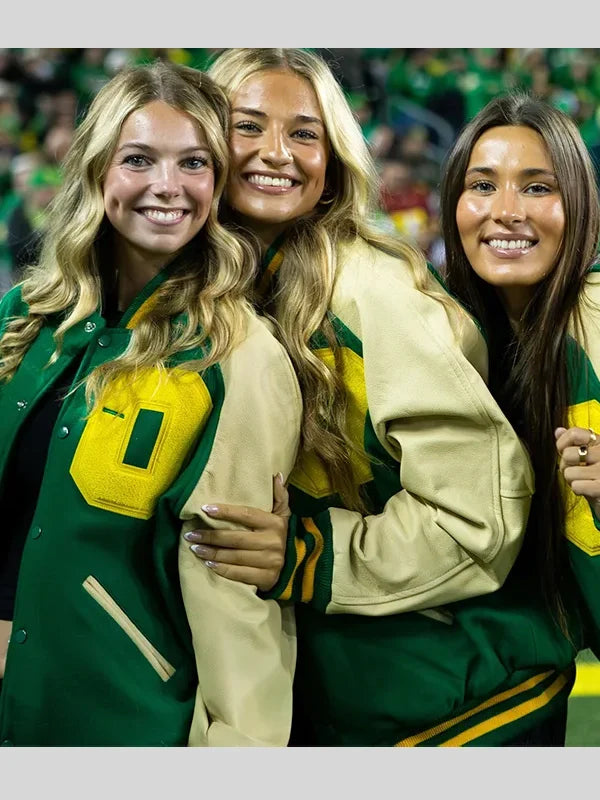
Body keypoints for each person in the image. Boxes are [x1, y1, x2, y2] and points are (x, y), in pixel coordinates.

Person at [180, 49, 557, 747]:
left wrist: (308, 555)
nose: (276, 153)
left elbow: (477, 517)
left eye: (304, 133)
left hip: (459, 699)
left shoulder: (370, 290)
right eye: (249, 126)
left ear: (334, 159)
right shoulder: (214, 293)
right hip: (343, 691)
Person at [0, 59, 301, 746]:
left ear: (219, 183)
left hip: (121, 728)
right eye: (140, 159)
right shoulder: (22, 317)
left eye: (194, 163)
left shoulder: (240, 357)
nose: (168, 187)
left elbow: (238, 601)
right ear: (97, 168)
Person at [439, 92, 600, 670]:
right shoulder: (435, 333)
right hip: (459, 675)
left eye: (537, 187)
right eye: (482, 185)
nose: (506, 210)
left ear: (579, 202)